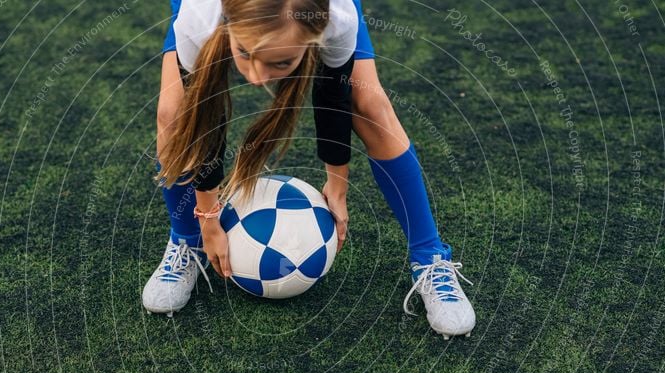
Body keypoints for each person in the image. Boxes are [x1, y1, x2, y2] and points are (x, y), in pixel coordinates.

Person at [143, 0, 476, 339]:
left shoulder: (337, 17)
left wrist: (338, 184)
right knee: (173, 113)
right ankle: (186, 242)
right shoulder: (200, 18)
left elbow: (334, 97)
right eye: (243, 53)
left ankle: (430, 255)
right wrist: (208, 218)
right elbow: (203, 120)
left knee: (372, 107)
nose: (256, 79)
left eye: (281, 62)